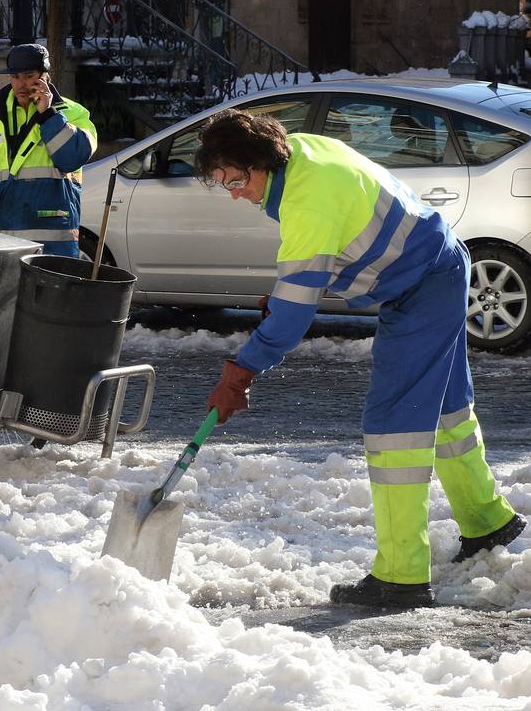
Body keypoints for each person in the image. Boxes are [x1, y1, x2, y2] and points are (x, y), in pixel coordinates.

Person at [196, 110, 524, 608]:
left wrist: (241, 371)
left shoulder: (308, 200)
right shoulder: (301, 151)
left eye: (236, 180)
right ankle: (487, 520)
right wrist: (288, 295)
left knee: (394, 425)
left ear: (262, 161)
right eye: (224, 185)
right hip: (437, 266)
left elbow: (292, 319)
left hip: (421, 285)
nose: (235, 193)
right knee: (446, 408)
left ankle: (401, 576)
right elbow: (320, 261)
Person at [0, 43, 97, 256]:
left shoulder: (74, 114)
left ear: (44, 76)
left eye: (28, 75)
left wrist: (48, 116)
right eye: (15, 76)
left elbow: (72, 158)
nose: (21, 84)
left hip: (51, 245)